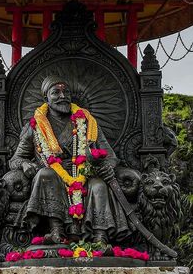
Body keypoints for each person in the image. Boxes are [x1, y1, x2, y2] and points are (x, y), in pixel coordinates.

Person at [9, 76, 132, 244]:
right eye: (56, 92)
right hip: (54, 176)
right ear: (46, 98)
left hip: (84, 176)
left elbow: (110, 156)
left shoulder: (87, 122)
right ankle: (56, 230)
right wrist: (24, 164)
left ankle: (100, 238)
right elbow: (15, 159)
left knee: (98, 185)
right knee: (46, 174)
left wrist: (107, 166)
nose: (62, 96)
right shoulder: (35, 126)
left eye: (66, 92)